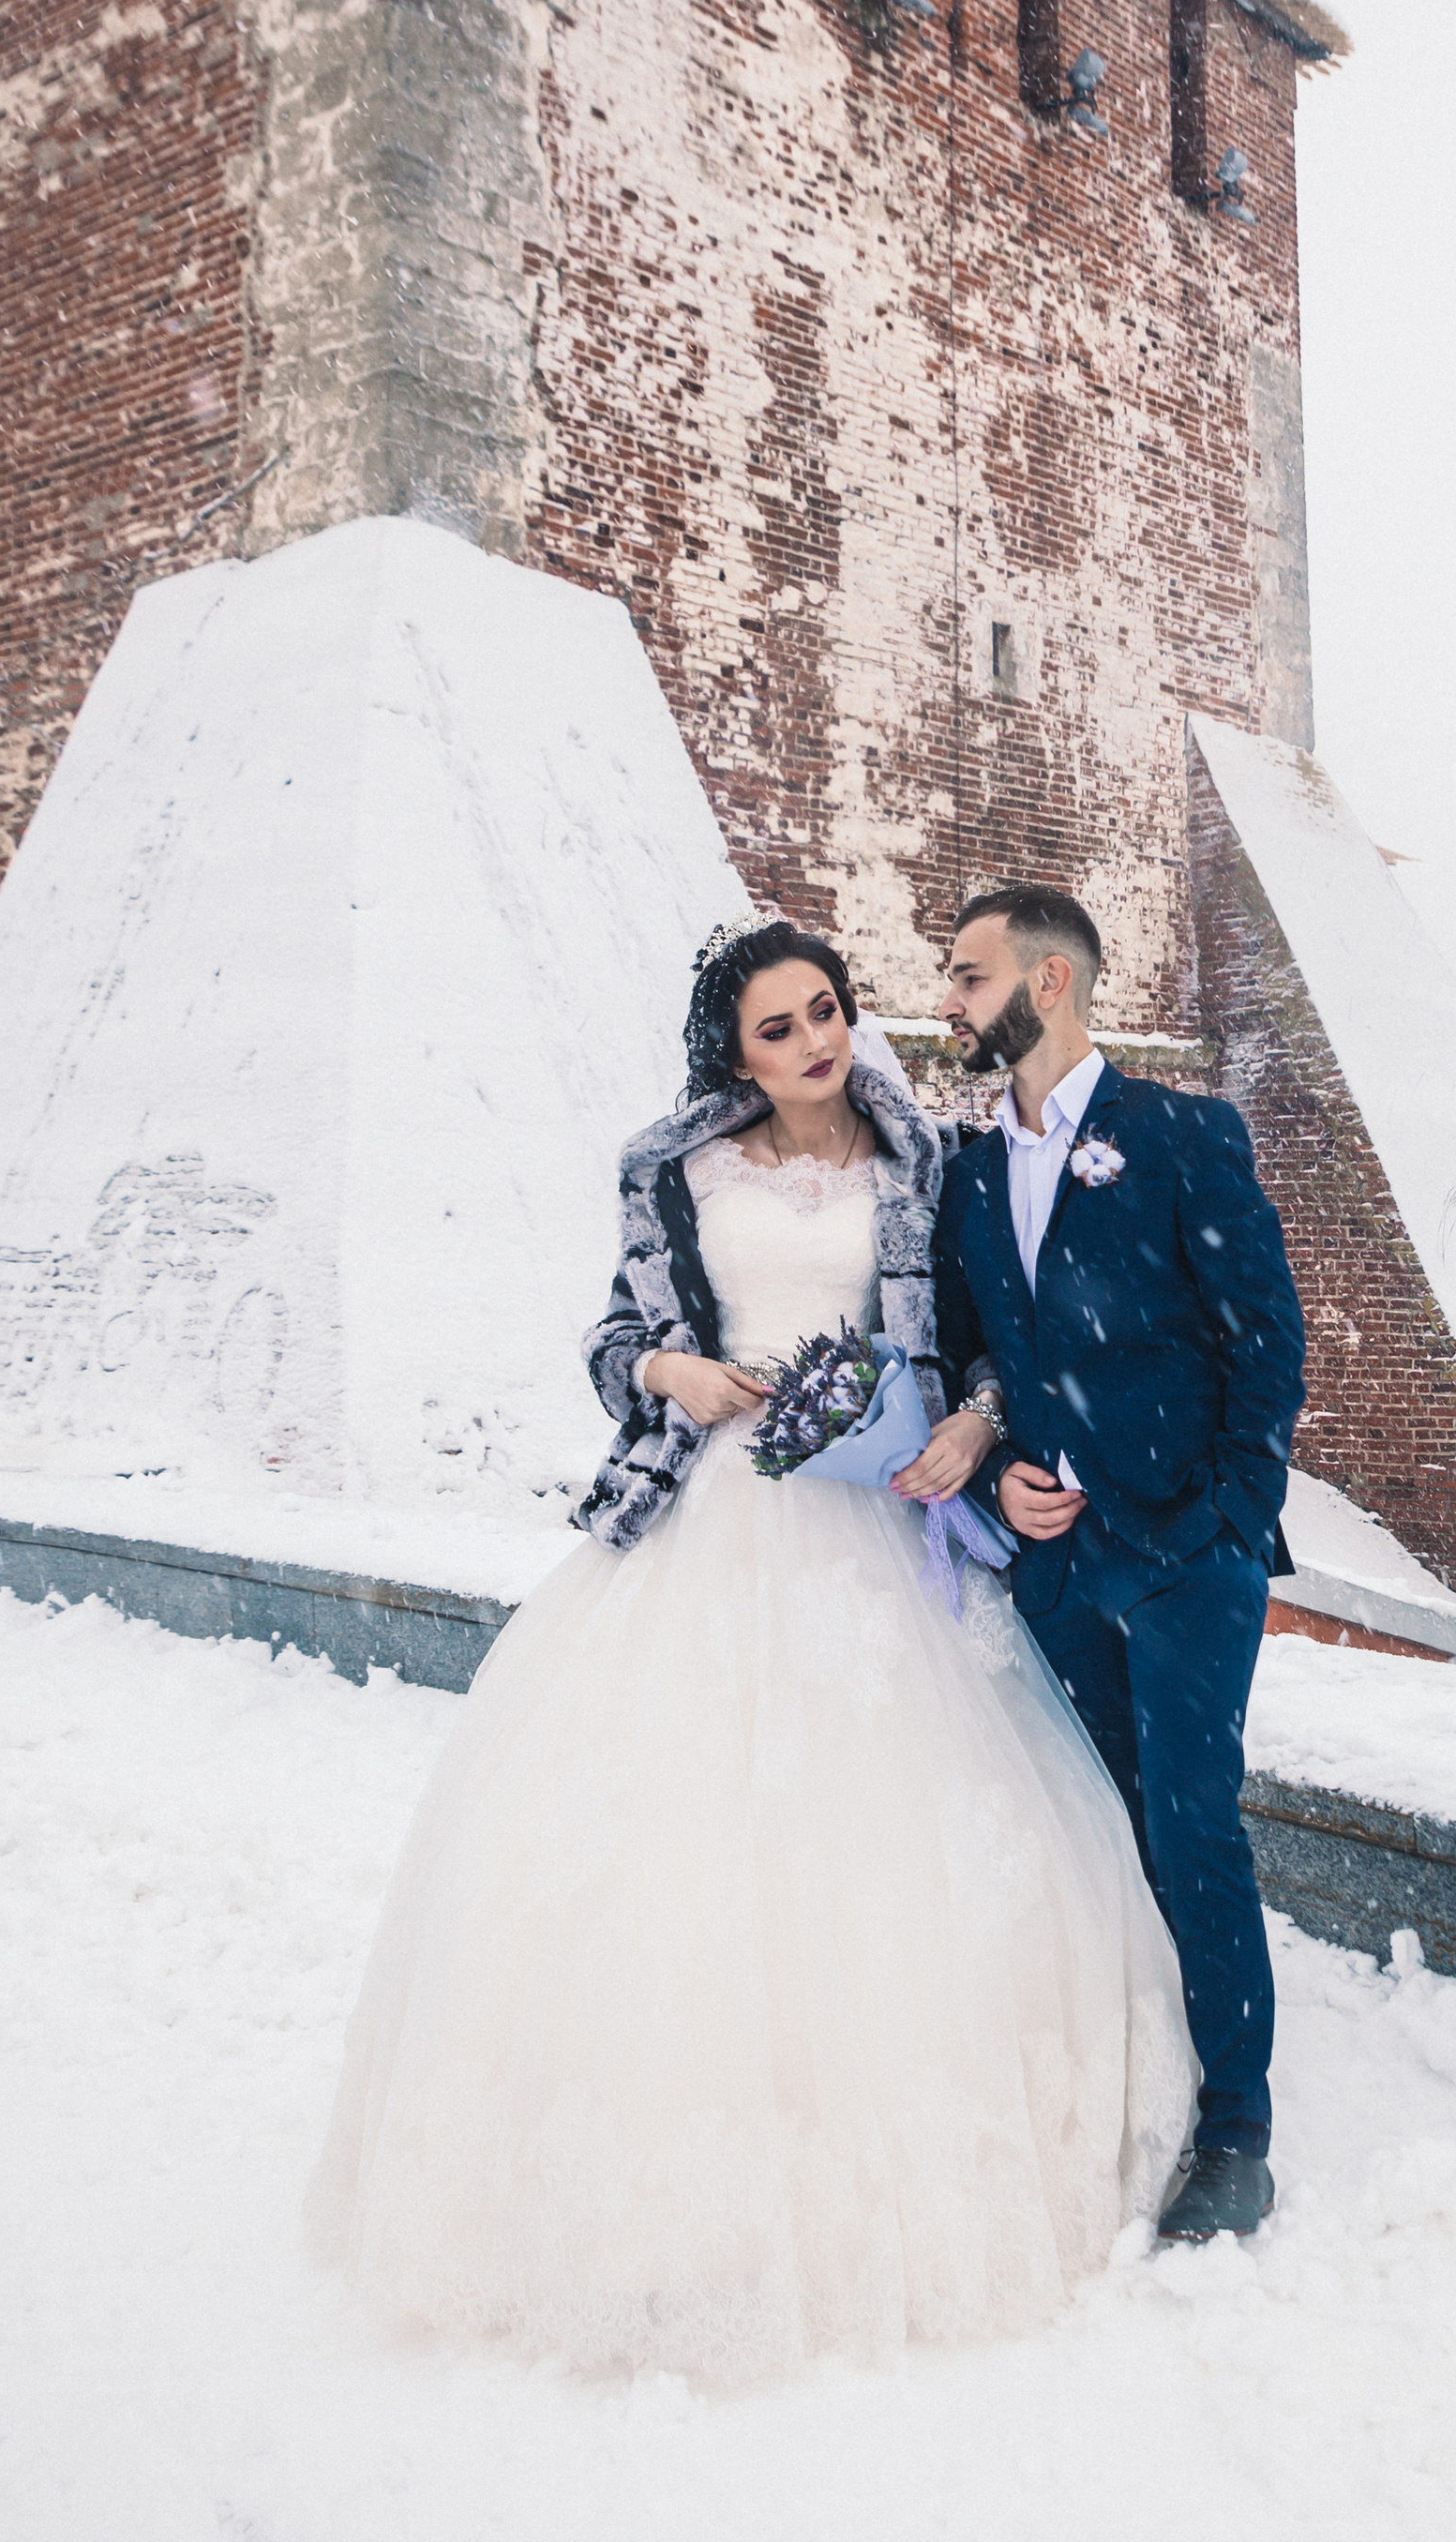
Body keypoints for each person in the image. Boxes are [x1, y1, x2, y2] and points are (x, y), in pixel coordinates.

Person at [308, 912, 1197, 2390]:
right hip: (713, 1515)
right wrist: (666, 1368)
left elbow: (985, 1346)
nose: (812, 1044)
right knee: (672, 1856)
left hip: (876, 1524)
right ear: (734, 1052)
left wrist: (968, 1426)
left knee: (893, 1853)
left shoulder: (927, 1165)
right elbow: (610, 1340)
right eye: (776, 1028)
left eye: (827, 1011)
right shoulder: (674, 1170)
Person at [909, 884, 1306, 2242]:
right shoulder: (969, 1174)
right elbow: (981, 1349)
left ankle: (1239, 2129)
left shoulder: (1184, 1137)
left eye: (967, 978)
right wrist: (1000, 1453)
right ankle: (1142, 2073)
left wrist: (1229, 1522)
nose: (950, 1000)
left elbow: (1268, 1345)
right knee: (1100, 1827)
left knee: (1197, 1826)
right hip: (1057, 1564)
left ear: (1050, 984)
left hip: (1189, 1555)